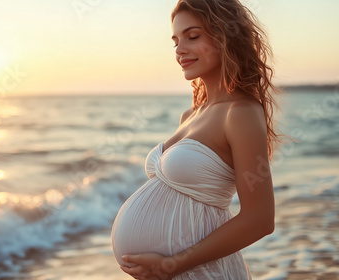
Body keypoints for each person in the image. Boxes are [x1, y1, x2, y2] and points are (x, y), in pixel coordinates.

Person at [110, 0, 284, 279]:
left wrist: (172, 264)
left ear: (225, 36)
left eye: (192, 36)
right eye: (175, 40)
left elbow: (260, 219)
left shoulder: (240, 113)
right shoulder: (189, 114)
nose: (179, 49)